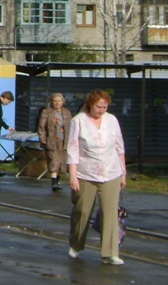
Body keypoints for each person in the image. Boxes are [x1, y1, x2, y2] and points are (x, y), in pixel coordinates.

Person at [66, 90, 126, 265]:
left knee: (110, 213)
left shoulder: (112, 120)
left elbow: (119, 146)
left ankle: (110, 253)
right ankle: (76, 245)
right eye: (99, 106)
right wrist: (73, 175)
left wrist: (123, 173)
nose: (102, 110)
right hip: (86, 173)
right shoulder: (78, 121)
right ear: (90, 104)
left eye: (105, 107)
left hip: (111, 172)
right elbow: (73, 149)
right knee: (82, 211)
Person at [37, 93, 71, 192]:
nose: (57, 103)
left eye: (59, 101)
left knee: (61, 162)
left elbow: (71, 126)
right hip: (51, 140)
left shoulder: (67, 112)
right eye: (55, 101)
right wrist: (42, 138)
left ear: (63, 102)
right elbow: (41, 126)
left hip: (64, 140)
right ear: (51, 102)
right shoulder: (46, 112)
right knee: (54, 161)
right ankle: (54, 183)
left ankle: (57, 181)